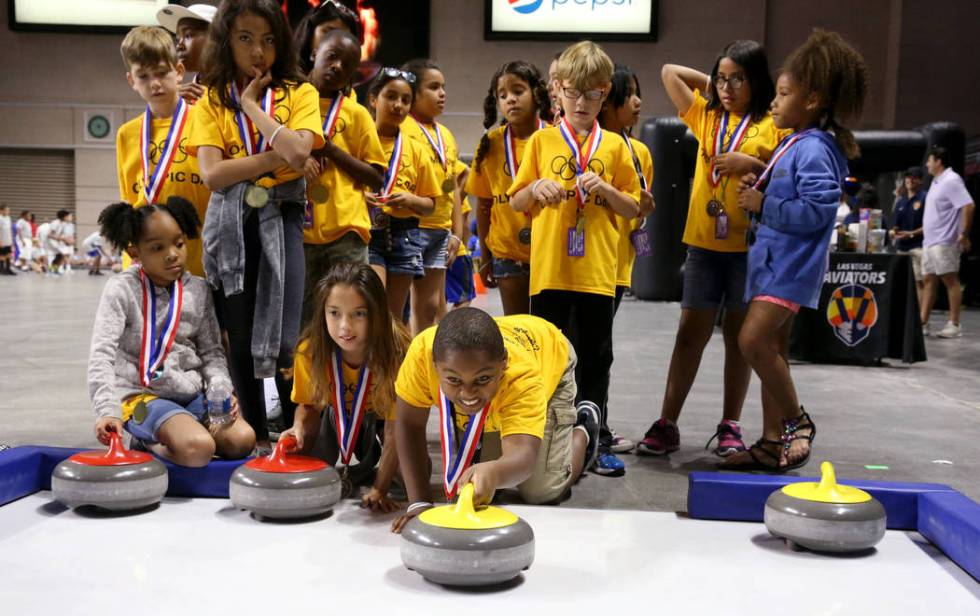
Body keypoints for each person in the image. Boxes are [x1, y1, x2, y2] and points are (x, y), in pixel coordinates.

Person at [723, 29, 868, 472]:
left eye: (784, 93)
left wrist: (765, 203)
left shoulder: (815, 148)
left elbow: (818, 212)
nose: (774, 101)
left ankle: (796, 422)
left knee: (752, 340)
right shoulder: (797, 143)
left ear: (813, 98)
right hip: (772, 265)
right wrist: (762, 188)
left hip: (790, 267)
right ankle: (770, 443)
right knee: (772, 351)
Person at [638, 40, 784, 459]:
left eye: (738, 78)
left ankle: (730, 425)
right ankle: (667, 423)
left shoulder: (772, 125)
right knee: (689, 335)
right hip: (702, 245)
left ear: (756, 80)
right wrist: (714, 86)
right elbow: (668, 71)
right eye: (722, 78)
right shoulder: (706, 115)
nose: (727, 87)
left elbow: (783, 176)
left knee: (739, 341)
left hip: (748, 248)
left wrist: (750, 165)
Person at [189, 0, 324, 453]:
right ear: (226, 41)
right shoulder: (211, 97)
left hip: (282, 224)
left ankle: (292, 433)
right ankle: (253, 435)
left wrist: (251, 106)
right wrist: (277, 156)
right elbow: (212, 174)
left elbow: (302, 154)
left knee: (289, 334)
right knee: (240, 334)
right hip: (230, 228)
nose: (258, 51)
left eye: (268, 39)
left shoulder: (299, 93)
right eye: (245, 38)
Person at [508, 40, 641, 477]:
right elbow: (516, 201)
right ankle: (544, 441)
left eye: (592, 94)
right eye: (573, 92)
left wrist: (605, 189)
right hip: (549, 272)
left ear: (605, 94)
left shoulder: (618, 148)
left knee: (595, 357)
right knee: (545, 357)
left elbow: (633, 208)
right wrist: (537, 189)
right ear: (557, 91)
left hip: (598, 274)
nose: (581, 103)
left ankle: (596, 439)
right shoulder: (542, 142)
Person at [390, 307, 600, 532]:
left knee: (541, 490)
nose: (468, 393)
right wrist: (419, 502)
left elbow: (523, 454)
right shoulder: (421, 355)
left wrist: (495, 472)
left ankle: (585, 428)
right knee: (482, 485)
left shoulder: (522, 376)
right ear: (434, 366)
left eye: (482, 378)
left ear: (503, 364)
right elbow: (408, 425)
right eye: (453, 380)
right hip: (497, 388)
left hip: (550, 362)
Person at [88, 198, 256, 466]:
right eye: (157, 247)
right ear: (135, 252)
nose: (172, 254)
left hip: (192, 396)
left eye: (178, 243)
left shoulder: (198, 289)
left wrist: (221, 389)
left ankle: (182, 435)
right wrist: (107, 409)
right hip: (141, 396)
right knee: (199, 449)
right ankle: (147, 442)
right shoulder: (121, 289)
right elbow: (102, 353)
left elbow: (212, 352)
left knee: (243, 441)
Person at [284, 262, 409, 509]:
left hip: (384, 420)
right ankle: (345, 469)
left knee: (413, 473)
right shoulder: (310, 351)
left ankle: (373, 473)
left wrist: (379, 489)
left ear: (377, 312)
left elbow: (397, 430)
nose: (345, 327)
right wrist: (297, 427)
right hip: (336, 417)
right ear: (322, 312)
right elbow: (308, 405)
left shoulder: (398, 352)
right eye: (334, 313)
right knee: (300, 461)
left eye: (359, 313)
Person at [301, 29, 384, 329]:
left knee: (345, 322)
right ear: (314, 54)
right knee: (304, 323)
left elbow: (377, 177)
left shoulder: (357, 114)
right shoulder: (289, 104)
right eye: (332, 56)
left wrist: (331, 149)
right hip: (298, 233)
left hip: (346, 234)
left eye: (347, 64)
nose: (337, 66)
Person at [116, 25, 211, 277]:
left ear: (178, 71)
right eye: (143, 76)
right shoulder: (127, 133)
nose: (154, 83)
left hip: (196, 264)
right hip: (143, 267)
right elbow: (129, 197)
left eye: (161, 72)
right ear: (131, 81)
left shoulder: (207, 121)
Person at [597, 63, 656, 453]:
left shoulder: (640, 153)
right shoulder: (589, 146)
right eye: (628, 94)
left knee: (600, 350)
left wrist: (644, 209)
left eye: (638, 93)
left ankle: (595, 426)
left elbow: (639, 210)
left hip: (618, 267)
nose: (637, 102)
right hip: (581, 267)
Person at [467, 60, 551, 315]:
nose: (510, 100)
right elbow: (483, 205)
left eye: (518, 91)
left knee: (549, 332)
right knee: (517, 330)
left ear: (536, 93)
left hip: (549, 255)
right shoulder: (491, 144)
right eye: (502, 95)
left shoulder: (554, 138)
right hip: (507, 255)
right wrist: (485, 256)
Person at [365, 68, 440, 317]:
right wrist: (359, 197)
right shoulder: (359, 140)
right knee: (372, 309)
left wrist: (411, 199)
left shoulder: (416, 150)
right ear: (374, 99)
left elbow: (430, 204)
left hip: (405, 236)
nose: (398, 105)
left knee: (394, 318)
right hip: (367, 235)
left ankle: (390, 358)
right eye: (391, 97)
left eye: (405, 100)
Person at [400, 59, 465, 334]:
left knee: (431, 307)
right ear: (413, 93)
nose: (442, 94)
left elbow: (453, 189)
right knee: (399, 309)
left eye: (443, 87)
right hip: (409, 229)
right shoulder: (402, 128)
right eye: (433, 87)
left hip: (439, 231)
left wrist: (456, 234)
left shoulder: (446, 135)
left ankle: (422, 369)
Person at [920, 146, 975, 338]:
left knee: (950, 280)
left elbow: (968, 205)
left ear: (938, 161)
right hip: (930, 241)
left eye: (929, 160)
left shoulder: (951, 180)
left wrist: (964, 234)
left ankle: (954, 324)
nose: (927, 164)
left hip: (945, 240)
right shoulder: (937, 182)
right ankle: (923, 323)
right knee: (928, 280)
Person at [156, 3, 216, 105]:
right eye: (178, 39)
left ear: (216, 38)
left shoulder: (241, 92)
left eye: (187, 35)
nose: (179, 45)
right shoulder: (183, 99)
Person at [293, 0, 362, 77]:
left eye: (343, 39)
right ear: (311, 30)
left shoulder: (346, 87)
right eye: (329, 33)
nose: (335, 43)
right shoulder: (282, 74)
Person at [889, 167, 926, 297]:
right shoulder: (900, 201)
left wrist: (911, 234)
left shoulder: (925, 198)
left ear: (920, 180)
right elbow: (895, 226)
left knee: (919, 282)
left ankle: (920, 316)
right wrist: (893, 232)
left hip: (918, 247)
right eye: (908, 177)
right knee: (900, 283)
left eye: (913, 177)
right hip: (902, 249)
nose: (910, 180)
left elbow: (929, 225)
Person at [0, 204, 14, 276]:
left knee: (9, 255)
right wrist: (0, 241)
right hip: (2, 240)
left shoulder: (8, 218)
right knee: (2, 255)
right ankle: (1, 269)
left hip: (8, 240)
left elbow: (10, 229)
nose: (8, 212)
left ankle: (8, 269)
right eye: (6, 210)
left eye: (8, 210)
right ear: (1, 211)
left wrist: (11, 241)